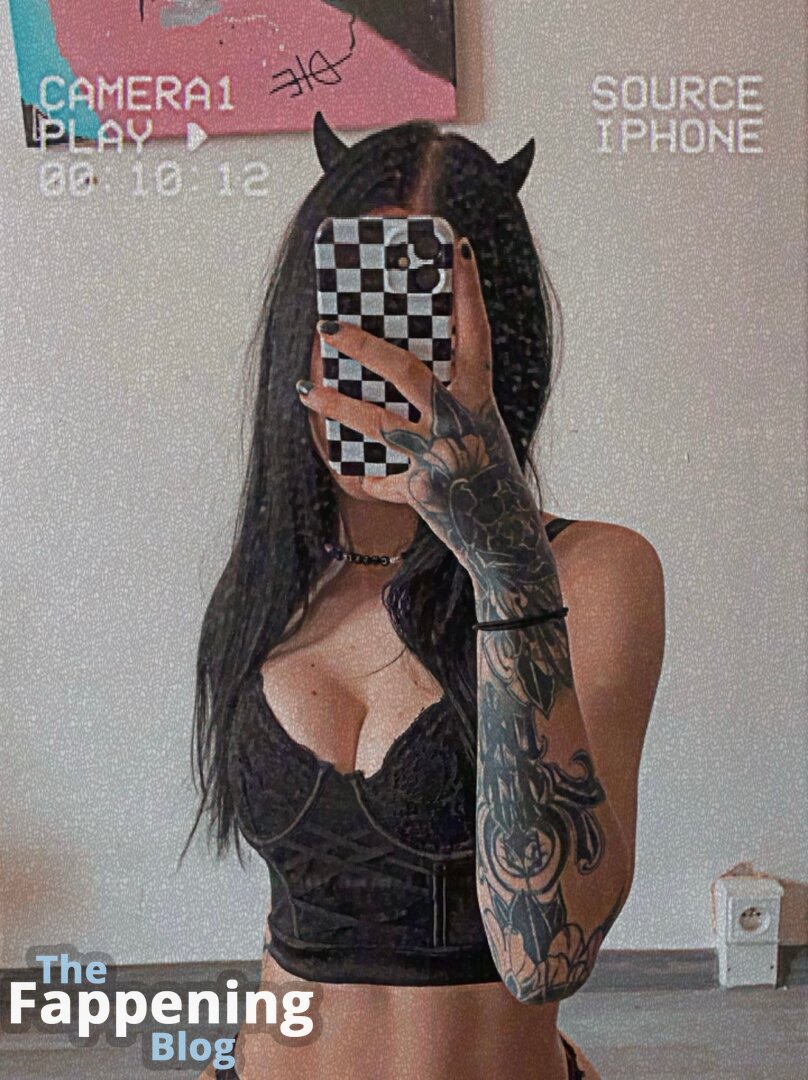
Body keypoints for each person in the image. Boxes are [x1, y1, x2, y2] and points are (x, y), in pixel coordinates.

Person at [185, 112, 666, 1080]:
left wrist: (505, 565)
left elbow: (548, 953)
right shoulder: (273, 583)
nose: (382, 366)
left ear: (499, 344)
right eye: (354, 316)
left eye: (417, 327)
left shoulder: (591, 572)